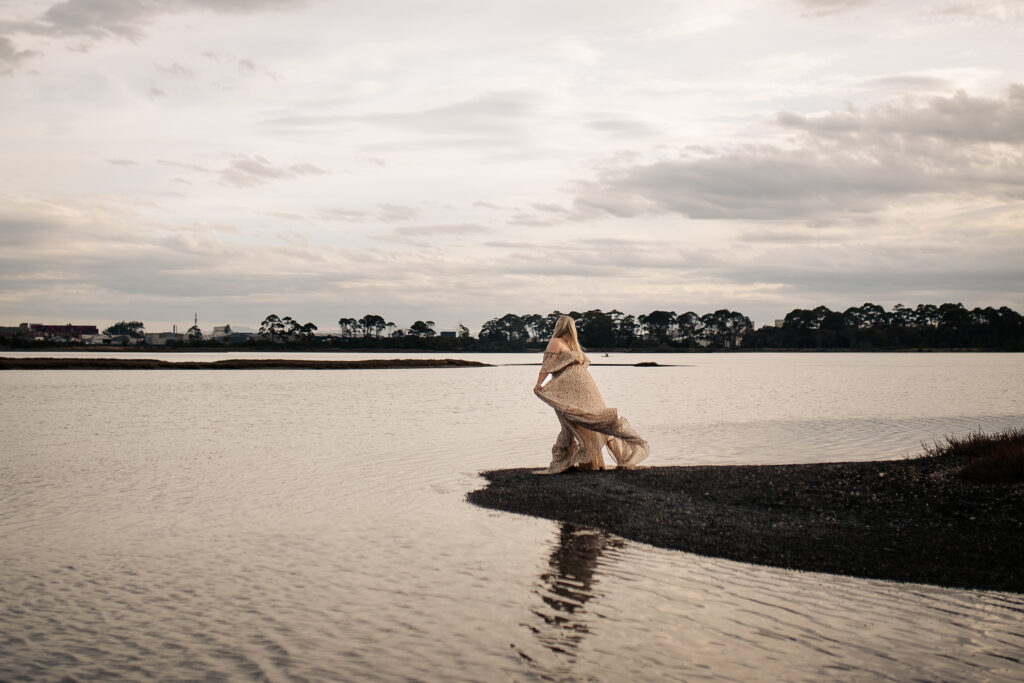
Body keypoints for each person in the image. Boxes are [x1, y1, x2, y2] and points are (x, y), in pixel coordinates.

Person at [533, 315, 649, 473]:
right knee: (574, 423)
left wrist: (540, 384)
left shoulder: (563, 343)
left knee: (586, 421)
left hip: (579, 391)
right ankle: (574, 462)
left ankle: (574, 462)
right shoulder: (564, 344)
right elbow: (549, 366)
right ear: (571, 328)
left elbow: (549, 366)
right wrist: (540, 384)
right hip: (574, 390)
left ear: (559, 326)